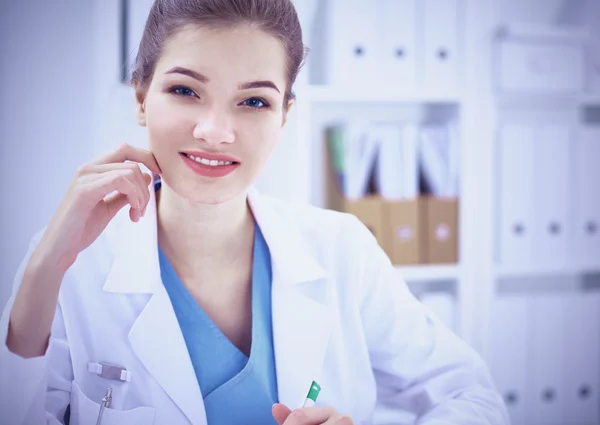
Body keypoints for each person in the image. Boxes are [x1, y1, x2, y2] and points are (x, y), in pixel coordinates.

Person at [0, 0, 509, 424]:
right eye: (185, 90)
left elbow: (475, 399)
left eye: (255, 102)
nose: (216, 131)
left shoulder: (340, 249)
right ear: (141, 96)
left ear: (285, 115)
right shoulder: (69, 263)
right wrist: (45, 270)